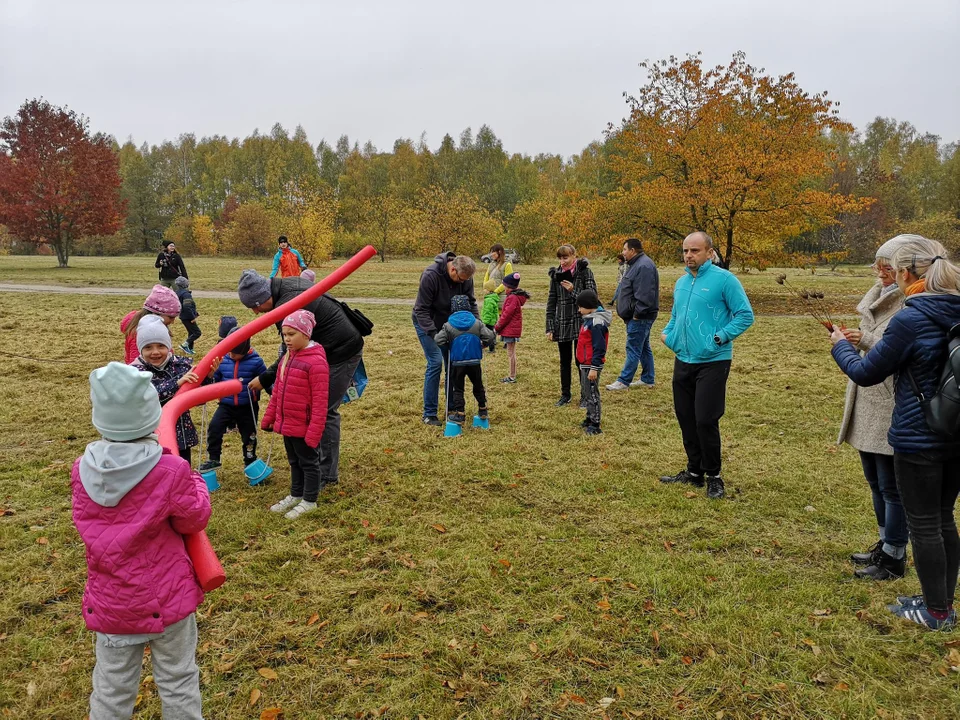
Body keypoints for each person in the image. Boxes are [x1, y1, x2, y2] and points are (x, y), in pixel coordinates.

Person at [829, 235, 960, 630]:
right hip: (955, 431)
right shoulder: (954, 310)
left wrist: (840, 345)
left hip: (918, 436)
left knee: (924, 523)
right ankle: (941, 600)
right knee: (943, 519)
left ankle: (936, 612)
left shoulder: (911, 317)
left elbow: (867, 373)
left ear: (905, 273)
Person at [72, 361, 210, 719]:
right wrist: (194, 480)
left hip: (111, 603)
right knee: (178, 680)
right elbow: (194, 517)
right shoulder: (170, 471)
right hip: (167, 601)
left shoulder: (81, 468)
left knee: (110, 688)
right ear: (149, 417)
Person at [237, 269, 363, 488]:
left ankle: (325, 474)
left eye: (254, 306)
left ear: (263, 297)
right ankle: (312, 464)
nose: (256, 312)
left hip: (340, 352)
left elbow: (290, 352)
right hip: (323, 351)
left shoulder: (289, 303)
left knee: (323, 410)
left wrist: (266, 378)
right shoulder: (283, 291)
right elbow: (288, 350)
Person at [659, 231, 755, 500]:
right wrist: (669, 336)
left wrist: (719, 337)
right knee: (686, 417)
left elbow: (745, 315)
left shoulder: (724, 280)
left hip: (714, 360)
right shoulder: (680, 282)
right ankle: (694, 472)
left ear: (710, 252)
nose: (689, 255)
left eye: (695, 251)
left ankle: (714, 475)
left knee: (705, 419)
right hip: (684, 359)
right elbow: (676, 315)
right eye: (686, 251)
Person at [837, 236, 909, 580]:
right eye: (877, 264)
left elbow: (902, 348)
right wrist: (857, 338)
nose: (879, 271)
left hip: (893, 402)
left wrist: (862, 341)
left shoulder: (911, 303)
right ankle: (884, 544)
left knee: (892, 483)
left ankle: (895, 555)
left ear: (905, 269)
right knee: (875, 479)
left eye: (887, 266)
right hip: (870, 397)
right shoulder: (879, 294)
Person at [261, 310, 330, 519]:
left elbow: (320, 402)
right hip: (288, 423)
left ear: (306, 334)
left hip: (304, 425)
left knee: (309, 463)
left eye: (292, 334)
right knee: (294, 461)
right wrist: (269, 417)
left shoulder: (316, 363)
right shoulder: (287, 358)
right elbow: (277, 392)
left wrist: (314, 432)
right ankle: (296, 493)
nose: (287, 339)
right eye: (284, 334)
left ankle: (309, 500)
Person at [131, 316, 219, 466]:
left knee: (182, 474)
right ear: (140, 349)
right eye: (148, 347)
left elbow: (198, 399)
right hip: (151, 439)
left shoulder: (181, 366)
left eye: (161, 346)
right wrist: (177, 383)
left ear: (168, 345)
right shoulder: (135, 372)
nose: (155, 352)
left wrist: (208, 377)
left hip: (181, 437)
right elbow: (149, 396)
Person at [412, 253, 479, 425]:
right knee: (435, 362)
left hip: (451, 324)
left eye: (466, 280)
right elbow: (421, 310)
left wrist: (477, 328)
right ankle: (429, 413)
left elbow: (471, 303)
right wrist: (435, 336)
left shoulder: (466, 278)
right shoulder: (431, 276)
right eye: (461, 279)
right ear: (453, 269)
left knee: (453, 363)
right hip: (427, 322)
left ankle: (453, 408)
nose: (462, 283)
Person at [198, 321, 268, 473]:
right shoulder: (222, 359)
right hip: (226, 405)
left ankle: (250, 460)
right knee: (214, 428)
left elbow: (266, 380)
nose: (231, 355)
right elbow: (213, 378)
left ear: (245, 350)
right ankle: (213, 459)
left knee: (249, 435)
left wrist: (273, 392)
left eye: (235, 353)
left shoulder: (256, 361)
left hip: (247, 406)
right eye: (229, 351)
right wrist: (208, 378)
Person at [546, 245, 597, 407]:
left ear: (574, 256)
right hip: (562, 322)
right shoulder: (556, 275)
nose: (562, 262)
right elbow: (551, 301)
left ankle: (585, 396)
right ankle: (565, 394)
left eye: (565, 258)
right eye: (560, 258)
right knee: (564, 360)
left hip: (581, 321)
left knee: (581, 360)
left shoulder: (585, 272)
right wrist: (549, 326)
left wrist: (573, 290)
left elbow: (592, 298)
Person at [607, 238, 660, 391]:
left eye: (624, 249)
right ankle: (648, 378)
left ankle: (624, 381)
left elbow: (645, 293)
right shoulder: (636, 264)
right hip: (636, 316)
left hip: (640, 316)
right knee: (643, 347)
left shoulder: (643, 266)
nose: (623, 252)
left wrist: (638, 314)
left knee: (633, 347)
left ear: (632, 250)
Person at [435, 295, 494, 425]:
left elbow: (438, 339)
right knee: (478, 385)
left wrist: (448, 346)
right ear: (468, 307)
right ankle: (483, 409)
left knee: (458, 388)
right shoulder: (477, 323)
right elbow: (490, 336)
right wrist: (483, 344)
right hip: (474, 361)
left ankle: (460, 414)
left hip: (457, 362)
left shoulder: (448, 325)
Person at [574, 290, 612, 435]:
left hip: (591, 365)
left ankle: (595, 424)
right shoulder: (588, 319)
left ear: (589, 306)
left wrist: (594, 368)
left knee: (592, 394)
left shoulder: (597, 323)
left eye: (580, 307)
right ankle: (589, 418)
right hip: (585, 364)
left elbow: (599, 347)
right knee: (587, 392)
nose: (579, 310)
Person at [121, 285, 181, 364]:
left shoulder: (150, 329)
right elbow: (138, 368)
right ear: (156, 314)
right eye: (170, 317)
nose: (173, 321)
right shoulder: (142, 334)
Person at [494, 272, 530, 383]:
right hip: (511, 329)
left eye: (505, 285)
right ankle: (512, 374)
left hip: (510, 330)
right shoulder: (514, 297)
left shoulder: (512, 298)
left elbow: (506, 315)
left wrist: (497, 327)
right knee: (511, 352)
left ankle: (512, 376)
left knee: (511, 353)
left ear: (509, 287)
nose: (504, 287)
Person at [481, 244, 514, 352]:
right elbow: (486, 277)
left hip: (501, 296)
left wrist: (495, 291)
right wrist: (486, 288)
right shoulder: (491, 264)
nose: (491, 254)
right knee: (492, 319)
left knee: (503, 318)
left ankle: (507, 340)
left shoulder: (507, 265)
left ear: (499, 252)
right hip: (491, 295)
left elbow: (507, 281)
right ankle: (492, 339)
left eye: (493, 252)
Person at [174, 276, 202, 356]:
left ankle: (190, 348)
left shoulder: (177, 293)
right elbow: (187, 306)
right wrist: (192, 317)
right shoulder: (186, 294)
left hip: (183, 316)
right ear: (185, 285)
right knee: (197, 332)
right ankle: (184, 345)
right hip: (188, 317)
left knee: (191, 332)